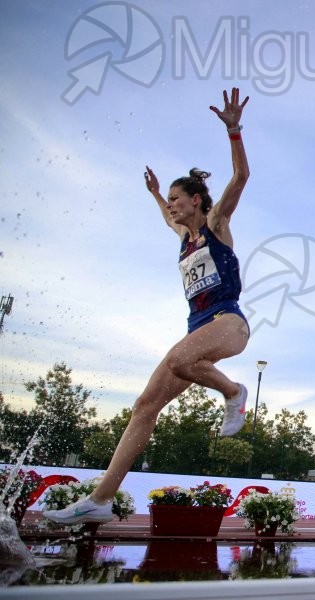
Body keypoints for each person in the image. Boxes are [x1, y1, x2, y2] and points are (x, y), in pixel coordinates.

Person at [44, 88, 252, 525]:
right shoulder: (181, 237)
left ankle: (233, 392)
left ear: (196, 200)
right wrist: (157, 194)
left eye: (178, 199)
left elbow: (240, 178)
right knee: (144, 405)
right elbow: (164, 215)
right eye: (170, 201)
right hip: (198, 327)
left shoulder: (215, 225)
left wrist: (234, 131)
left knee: (179, 360)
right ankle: (100, 500)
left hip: (229, 320)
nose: (172, 206)